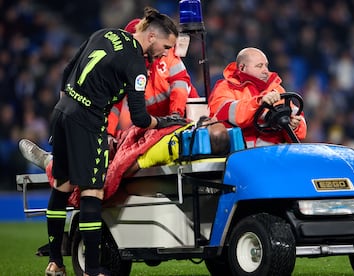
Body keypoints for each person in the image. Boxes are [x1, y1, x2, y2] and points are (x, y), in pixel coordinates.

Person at [19, 7, 186, 276]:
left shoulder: (105, 34)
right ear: (152, 36)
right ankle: (92, 270)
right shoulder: (136, 63)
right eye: (166, 46)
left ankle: (54, 263)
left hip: (62, 112)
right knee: (92, 193)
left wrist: (70, 106)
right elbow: (142, 118)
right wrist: (164, 123)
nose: (166, 53)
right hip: (89, 122)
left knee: (61, 186)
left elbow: (67, 69)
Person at [19, 117, 230, 178]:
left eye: (212, 122)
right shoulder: (187, 131)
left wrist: (111, 170)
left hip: (128, 146)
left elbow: (129, 165)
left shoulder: (169, 146)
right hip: (137, 134)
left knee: (97, 150)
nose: (212, 118)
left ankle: (51, 161)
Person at [107, 18, 199, 138]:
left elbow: (180, 84)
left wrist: (176, 115)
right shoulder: (127, 68)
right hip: (156, 124)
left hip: (186, 115)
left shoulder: (167, 54)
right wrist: (108, 134)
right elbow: (115, 105)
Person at [208, 47, 307, 147]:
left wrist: (295, 125)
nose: (266, 71)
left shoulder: (276, 89)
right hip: (241, 154)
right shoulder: (225, 87)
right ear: (242, 68)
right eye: (259, 66)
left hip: (276, 153)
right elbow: (223, 114)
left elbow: (297, 115)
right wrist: (258, 103)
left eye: (266, 66)